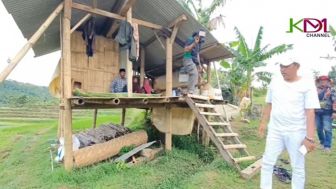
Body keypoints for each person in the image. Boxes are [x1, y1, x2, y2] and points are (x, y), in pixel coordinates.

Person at [258, 57, 320, 189]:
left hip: (297, 132)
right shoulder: (275, 82)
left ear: (297, 66)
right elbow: (269, 103)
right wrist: (263, 123)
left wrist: (309, 138)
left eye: (286, 66)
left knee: (297, 167)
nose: (282, 69)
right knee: (267, 163)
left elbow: (310, 112)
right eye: (281, 66)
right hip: (275, 130)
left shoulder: (307, 84)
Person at [315, 75, 335, 153]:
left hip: (327, 112)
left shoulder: (331, 90)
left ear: (328, 81)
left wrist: (334, 112)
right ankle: (322, 142)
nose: (323, 82)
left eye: (325, 80)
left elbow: (335, 101)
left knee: (327, 129)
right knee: (319, 129)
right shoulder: (315, 90)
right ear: (319, 81)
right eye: (321, 80)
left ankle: (327, 146)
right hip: (317, 112)